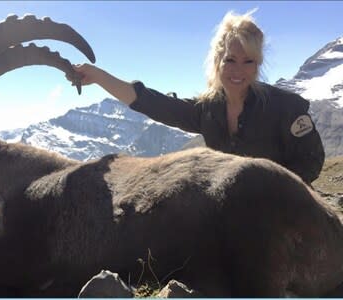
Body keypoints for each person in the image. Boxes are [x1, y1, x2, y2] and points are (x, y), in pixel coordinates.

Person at [70, 10, 325, 185]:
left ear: (258, 64)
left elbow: (311, 160)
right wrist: (98, 76)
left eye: (249, 61)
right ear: (217, 62)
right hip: (231, 209)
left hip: (285, 209)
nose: (239, 70)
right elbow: (152, 103)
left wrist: (277, 192)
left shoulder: (285, 107)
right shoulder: (207, 109)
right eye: (230, 60)